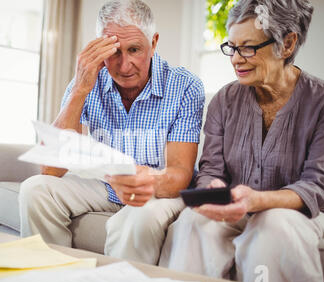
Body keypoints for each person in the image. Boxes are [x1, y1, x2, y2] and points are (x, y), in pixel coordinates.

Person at [159, 0, 324, 282]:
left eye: (249, 48)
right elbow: (210, 171)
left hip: (308, 214)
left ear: (288, 43)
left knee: (273, 222)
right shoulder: (224, 101)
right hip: (240, 207)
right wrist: (212, 186)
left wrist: (259, 200)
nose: (236, 59)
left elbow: (319, 186)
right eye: (232, 47)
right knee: (193, 219)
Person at [19, 0, 205, 265]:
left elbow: (180, 174)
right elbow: (50, 169)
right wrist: (80, 89)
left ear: (153, 43)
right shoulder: (86, 82)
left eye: (134, 50)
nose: (124, 65)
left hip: (157, 189)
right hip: (104, 186)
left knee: (135, 220)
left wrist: (143, 181)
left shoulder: (185, 86)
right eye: (114, 51)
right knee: (34, 190)